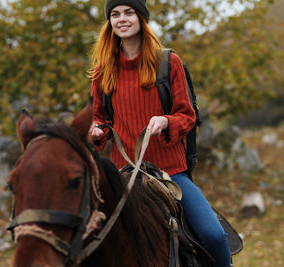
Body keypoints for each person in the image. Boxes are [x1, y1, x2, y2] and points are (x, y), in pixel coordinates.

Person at [89, 1, 231, 266]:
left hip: (169, 173)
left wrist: (166, 121)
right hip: (124, 175)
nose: (122, 19)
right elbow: (102, 119)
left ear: (141, 17)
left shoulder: (168, 62)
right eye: (115, 14)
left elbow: (187, 115)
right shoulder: (102, 71)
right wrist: (96, 130)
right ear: (109, 23)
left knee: (214, 237)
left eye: (129, 12)